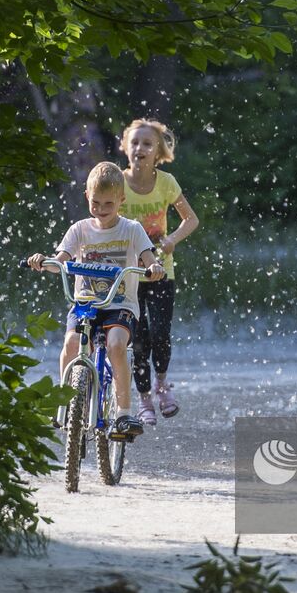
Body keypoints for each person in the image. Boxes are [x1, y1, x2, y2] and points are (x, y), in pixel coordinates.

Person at [28, 161, 164, 442]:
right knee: (71, 344)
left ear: (121, 201)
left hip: (120, 305)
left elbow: (149, 259)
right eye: (95, 203)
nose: (101, 210)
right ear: (86, 197)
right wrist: (44, 262)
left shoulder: (132, 229)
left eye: (108, 204)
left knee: (115, 344)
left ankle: (125, 412)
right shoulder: (79, 230)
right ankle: (65, 401)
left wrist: (155, 267)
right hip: (85, 304)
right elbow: (61, 262)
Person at [120, 118, 200, 426]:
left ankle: (163, 386)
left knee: (161, 333)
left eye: (147, 144)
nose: (140, 148)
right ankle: (143, 400)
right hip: (127, 274)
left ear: (158, 152)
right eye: (135, 142)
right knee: (138, 339)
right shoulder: (118, 181)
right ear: (125, 146)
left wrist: (170, 240)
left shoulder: (166, 183)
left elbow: (190, 220)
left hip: (160, 271)